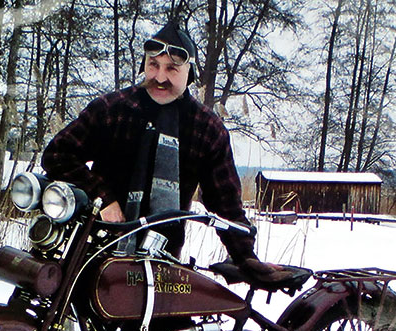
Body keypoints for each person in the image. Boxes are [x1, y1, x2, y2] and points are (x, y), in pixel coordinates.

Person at [41, 20, 286, 282]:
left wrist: (245, 256)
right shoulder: (112, 109)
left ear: (189, 72)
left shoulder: (207, 129)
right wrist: (103, 199)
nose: (160, 77)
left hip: (162, 259)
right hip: (96, 247)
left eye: (171, 69)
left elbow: (224, 201)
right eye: (153, 65)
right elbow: (58, 155)